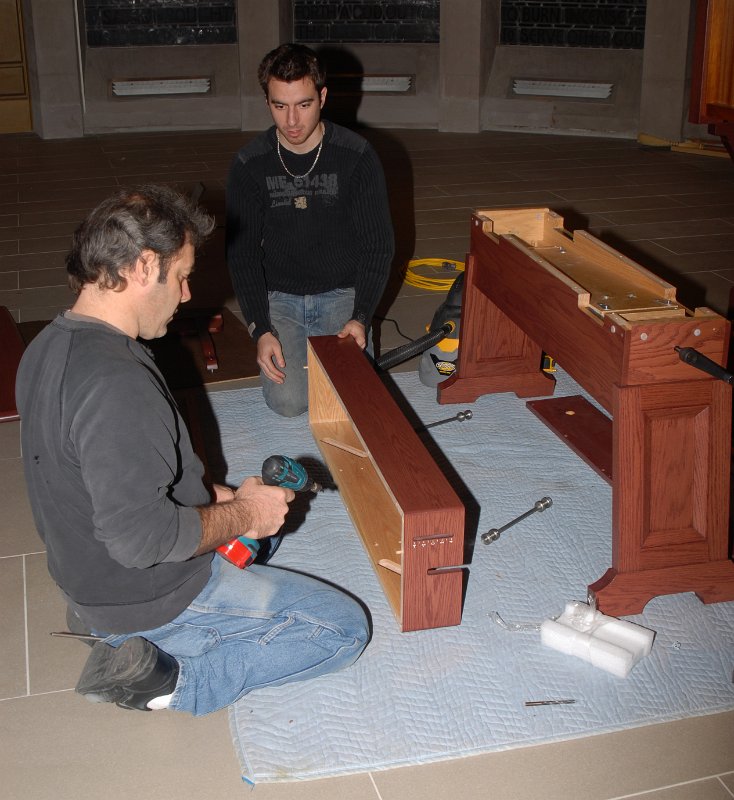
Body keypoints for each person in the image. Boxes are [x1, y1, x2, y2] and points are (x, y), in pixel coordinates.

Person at [15, 185, 370, 715]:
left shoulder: (48, 344)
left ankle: (116, 632)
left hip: (90, 582)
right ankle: (173, 677)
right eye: (181, 277)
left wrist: (217, 497)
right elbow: (143, 541)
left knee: (254, 537)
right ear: (142, 266)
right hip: (143, 596)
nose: (186, 295)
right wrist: (244, 511)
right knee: (342, 629)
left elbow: (95, 476)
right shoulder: (118, 385)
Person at [226, 42, 395, 417]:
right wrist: (260, 329)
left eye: (303, 104)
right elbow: (243, 255)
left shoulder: (357, 156)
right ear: (267, 101)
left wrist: (361, 316)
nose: (291, 121)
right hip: (280, 297)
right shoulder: (250, 163)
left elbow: (377, 245)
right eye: (279, 106)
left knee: (348, 400)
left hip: (340, 293)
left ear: (322, 96)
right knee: (290, 403)